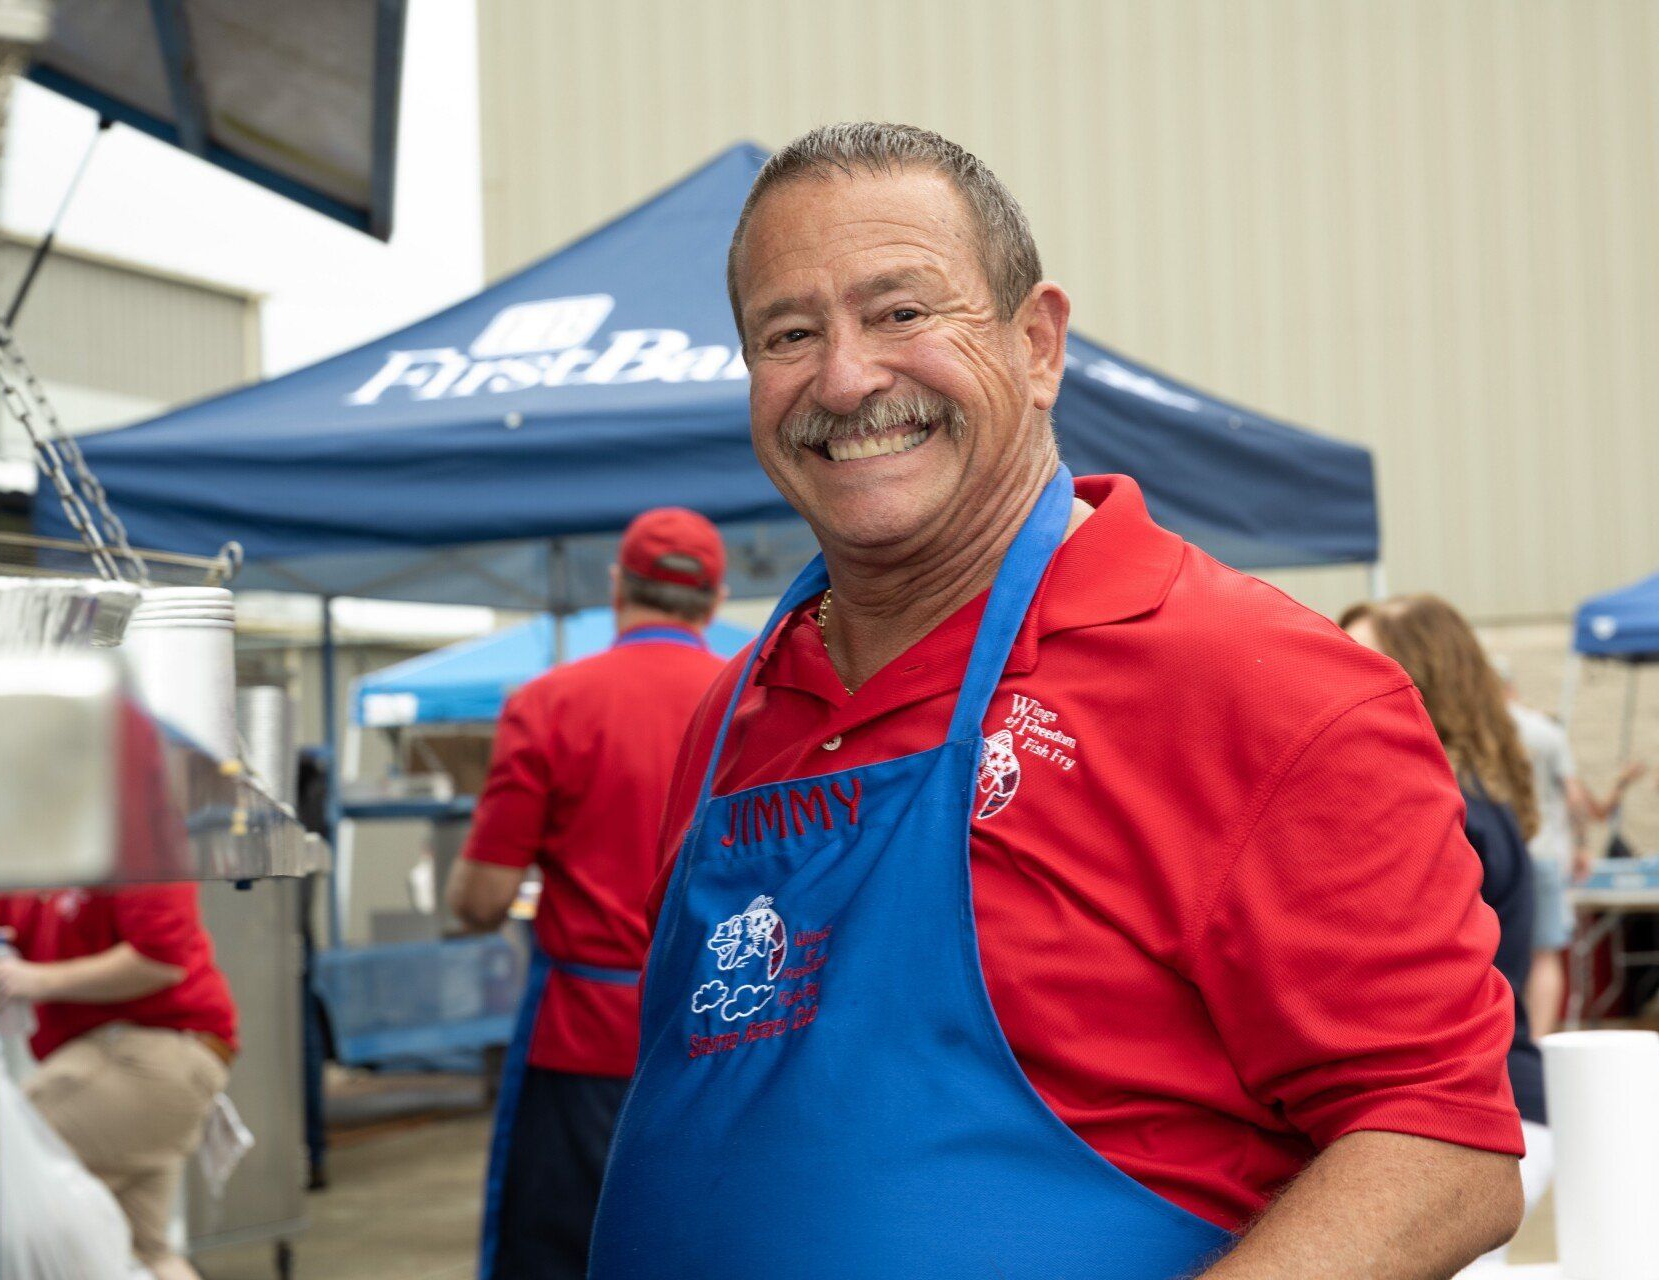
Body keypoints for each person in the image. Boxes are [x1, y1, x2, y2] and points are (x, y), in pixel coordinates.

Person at [589, 123, 1524, 1280]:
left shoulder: (1263, 683)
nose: (844, 377)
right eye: (789, 333)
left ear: (1037, 344)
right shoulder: (734, 712)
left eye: (902, 312)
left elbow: (1439, 1144)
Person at [446, 506, 729, 1280]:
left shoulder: (549, 704)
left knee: (559, 1255)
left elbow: (478, 901)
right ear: (711, 599)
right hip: (724, 1039)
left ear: (617, 587)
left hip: (581, 1040)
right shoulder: (750, 702)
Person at [1343, 598, 1553, 1264]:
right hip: (1489, 1111)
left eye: (1359, 659)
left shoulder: (1447, 815)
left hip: (1463, 1124)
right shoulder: (1475, 802)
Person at [0, 884, 237, 1280]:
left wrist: (36, 979)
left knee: (1, 1163)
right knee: (146, 1252)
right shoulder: (30, 864)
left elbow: (159, 960)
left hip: (154, 1053)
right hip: (116, 1061)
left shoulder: (135, 836)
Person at [1495, 662, 1642, 1038]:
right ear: (1512, 685)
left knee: (1494, 955)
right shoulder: (1544, 732)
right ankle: (1539, 1042)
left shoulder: (1477, 733)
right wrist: (1580, 846)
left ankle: (1501, 1038)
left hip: (1491, 852)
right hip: (1543, 851)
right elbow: (1578, 800)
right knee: (1544, 953)